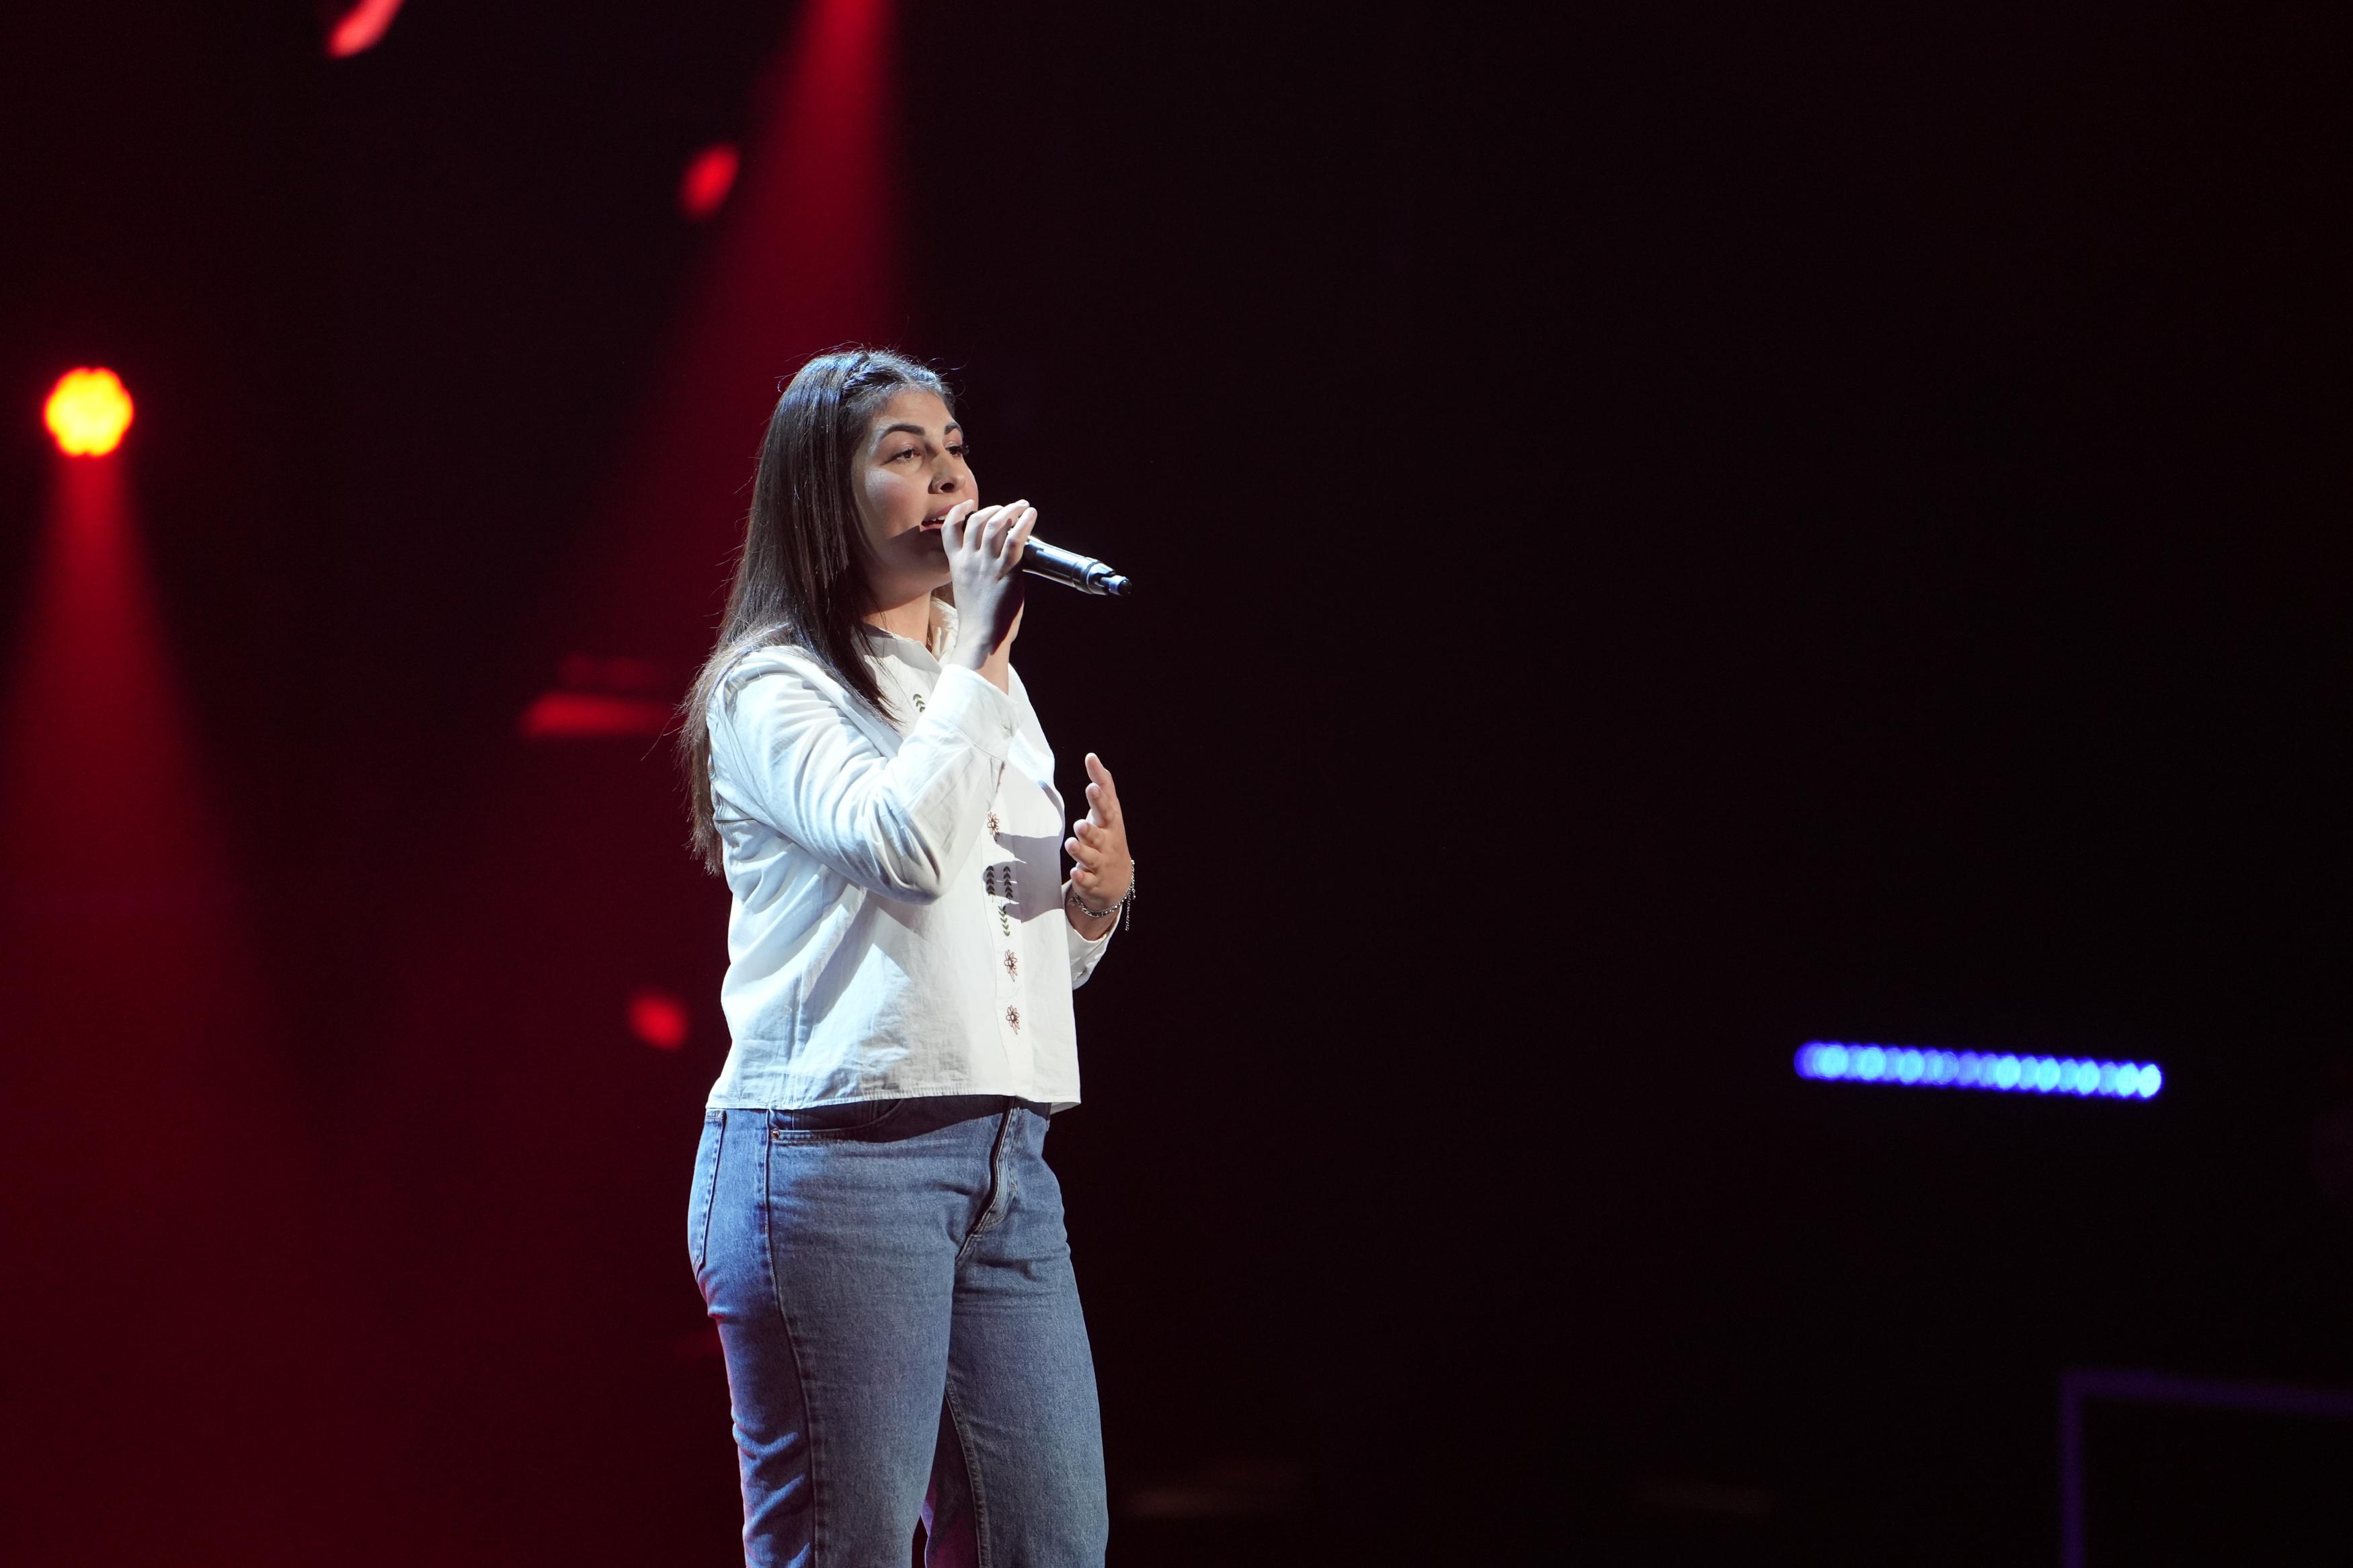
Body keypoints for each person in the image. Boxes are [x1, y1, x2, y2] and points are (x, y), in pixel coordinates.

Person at [676, 347, 1135, 1567]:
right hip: (836, 1162)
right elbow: (907, 850)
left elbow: (1004, 942)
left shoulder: (985, 684)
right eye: (906, 452)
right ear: (825, 494)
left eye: (955, 448)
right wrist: (977, 653)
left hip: (1005, 1162)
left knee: (1049, 1542)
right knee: (849, 1545)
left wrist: (1089, 911)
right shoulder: (774, 687)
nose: (950, 478)